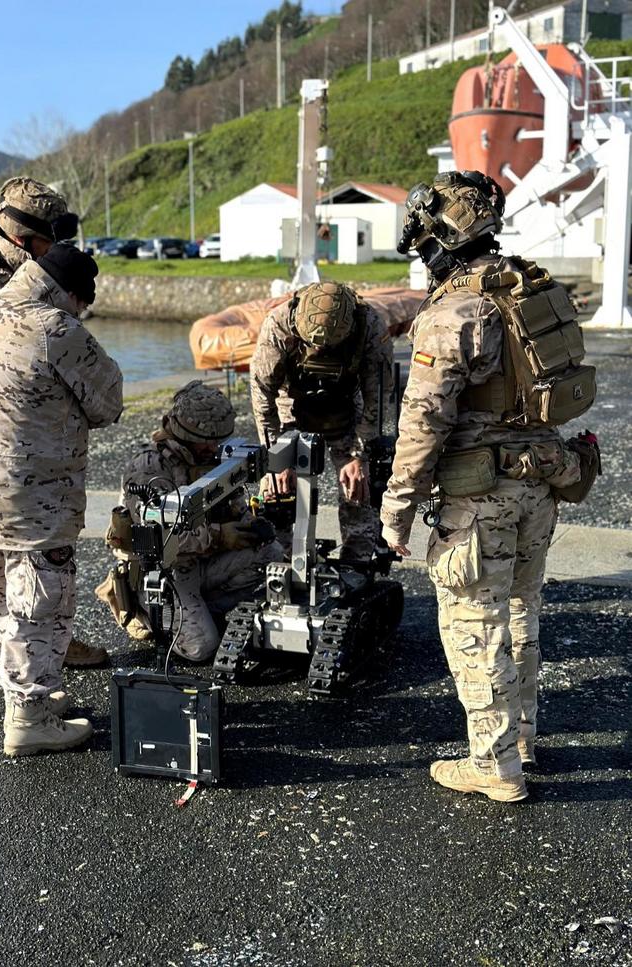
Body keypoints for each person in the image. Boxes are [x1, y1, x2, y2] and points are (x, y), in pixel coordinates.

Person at [380, 170, 593, 802]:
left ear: (440, 239)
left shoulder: (454, 311)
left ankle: (495, 766)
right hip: (543, 479)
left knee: (474, 622)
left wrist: (397, 511)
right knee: (522, 609)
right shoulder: (526, 288)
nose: (420, 257)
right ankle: (521, 736)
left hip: (481, 493)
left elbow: (423, 422)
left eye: (423, 244)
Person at [0, 245, 123, 756]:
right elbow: (108, 402)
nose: (80, 314)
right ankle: (28, 717)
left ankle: (17, 692)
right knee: (40, 604)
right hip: (34, 502)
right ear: (71, 294)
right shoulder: (57, 330)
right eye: (81, 305)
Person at [0, 176, 107, 671]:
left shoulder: (6, 276)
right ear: (23, 239)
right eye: (48, 242)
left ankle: (13, 647)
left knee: (4, 555)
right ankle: (18, 651)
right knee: (17, 555)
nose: (51, 252)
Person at [101, 381, 282, 663]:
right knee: (201, 649)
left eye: (218, 440)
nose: (214, 447)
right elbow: (160, 538)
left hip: (204, 563)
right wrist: (219, 536)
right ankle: (146, 615)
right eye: (207, 441)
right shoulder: (149, 469)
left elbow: (234, 504)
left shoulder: (211, 457)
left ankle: (199, 612)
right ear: (186, 434)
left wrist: (249, 525)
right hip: (166, 574)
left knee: (271, 555)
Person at [250, 281, 393, 563]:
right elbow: (261, 392)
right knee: (277, 491)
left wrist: (359, 455)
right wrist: (276, 461)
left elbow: (378, 396)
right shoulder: (279, 324)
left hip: (344, 408)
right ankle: (282, 557)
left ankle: (358, 558)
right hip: (290, 407)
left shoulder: (370, 327)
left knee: (357, 488)